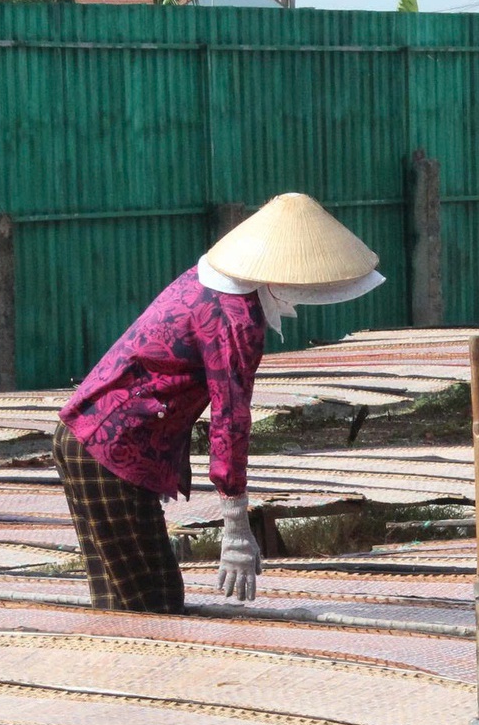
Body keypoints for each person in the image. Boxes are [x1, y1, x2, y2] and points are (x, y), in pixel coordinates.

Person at [54, 193, 383, 612]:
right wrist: (235, 524)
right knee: (150, 606)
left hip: (97, 440)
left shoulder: (207, 283)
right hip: (108, 445)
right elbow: (230, 417)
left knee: (133, 598)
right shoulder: (234, 316)